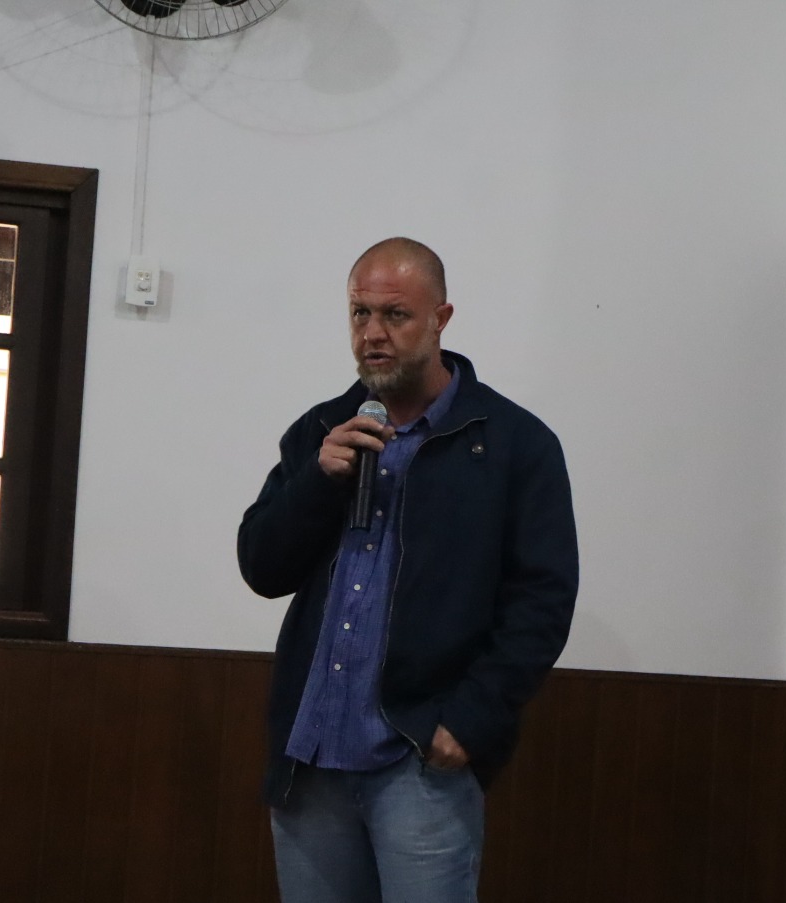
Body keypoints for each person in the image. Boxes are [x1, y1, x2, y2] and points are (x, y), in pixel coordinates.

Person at [237, 237, 579, 902]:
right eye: (360, 313)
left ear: (440, 319)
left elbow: (542, 600)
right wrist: (317, 483)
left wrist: (472, 718)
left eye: (395, 315)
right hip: (312, 759)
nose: (373, 334)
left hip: (418, 759)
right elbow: (262, 566)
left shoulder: (512, 444)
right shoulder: (322, 430)